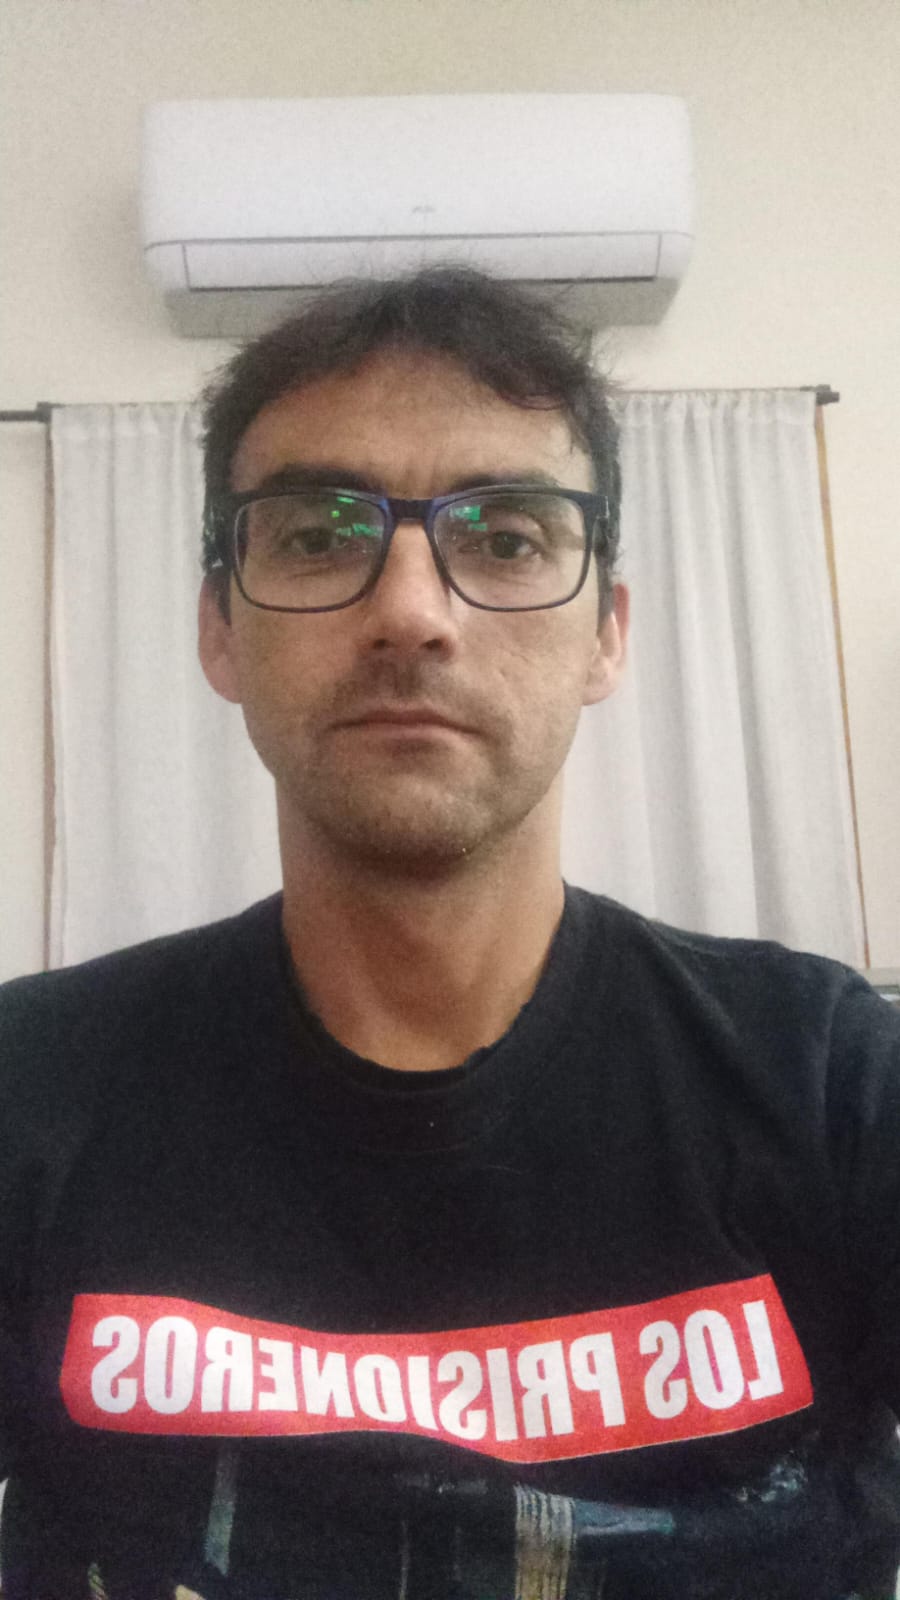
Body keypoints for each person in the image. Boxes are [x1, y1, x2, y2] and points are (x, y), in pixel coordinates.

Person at [1, 266, 899, 1600]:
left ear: (607, 635)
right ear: (220, 632)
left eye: (508, 539)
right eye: (319, 535)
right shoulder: (31, 1089)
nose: (412, 612)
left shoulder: (831, 1081)